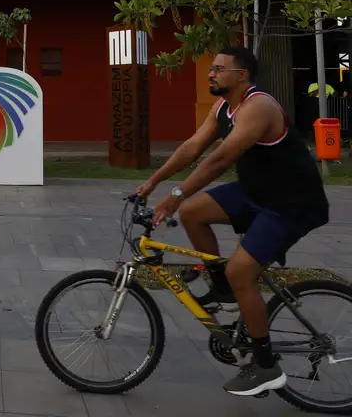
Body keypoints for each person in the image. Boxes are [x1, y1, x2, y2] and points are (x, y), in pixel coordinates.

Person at [135, 45, 329, 398]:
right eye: (211, 68)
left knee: (242, 271)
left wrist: (174, 197)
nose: (211, 73)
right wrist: (152, 182)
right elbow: (193, 147)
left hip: (290, 203)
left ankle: (266, 365)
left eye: (219, 69)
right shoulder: (224, 106)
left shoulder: (259, 107)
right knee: (196, 213)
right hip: (257, 192)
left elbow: (221, 158)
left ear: (242, 76)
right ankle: (223, 290)